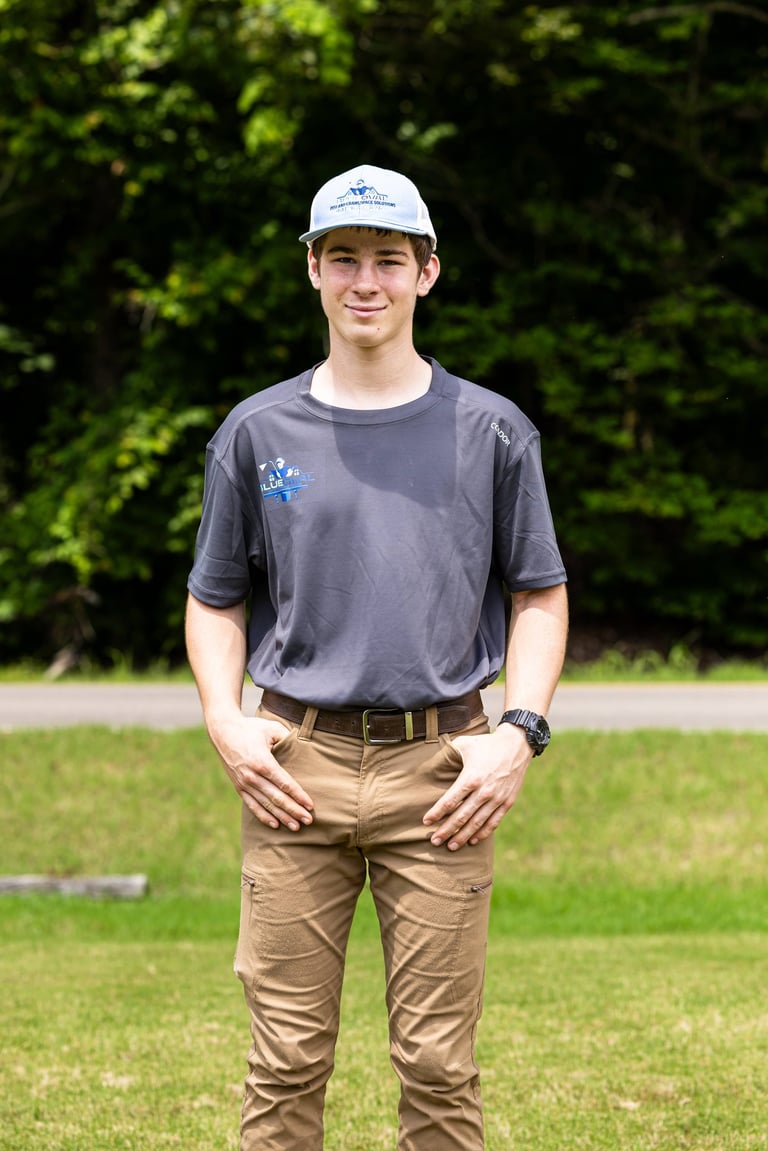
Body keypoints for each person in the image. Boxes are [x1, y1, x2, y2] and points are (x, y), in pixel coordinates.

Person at [185, 163, 569, 1151]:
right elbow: (215, 596)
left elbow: (539, 593)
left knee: (439, 1066)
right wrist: (226, 720)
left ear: (426, 272)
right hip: (293, 768)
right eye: (344, 256)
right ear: (313, 269)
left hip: (443, 773)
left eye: (389, 259)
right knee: (283, 1061)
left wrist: (518, 734)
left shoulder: (492, 431)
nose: (367, 280)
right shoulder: (257, 432)